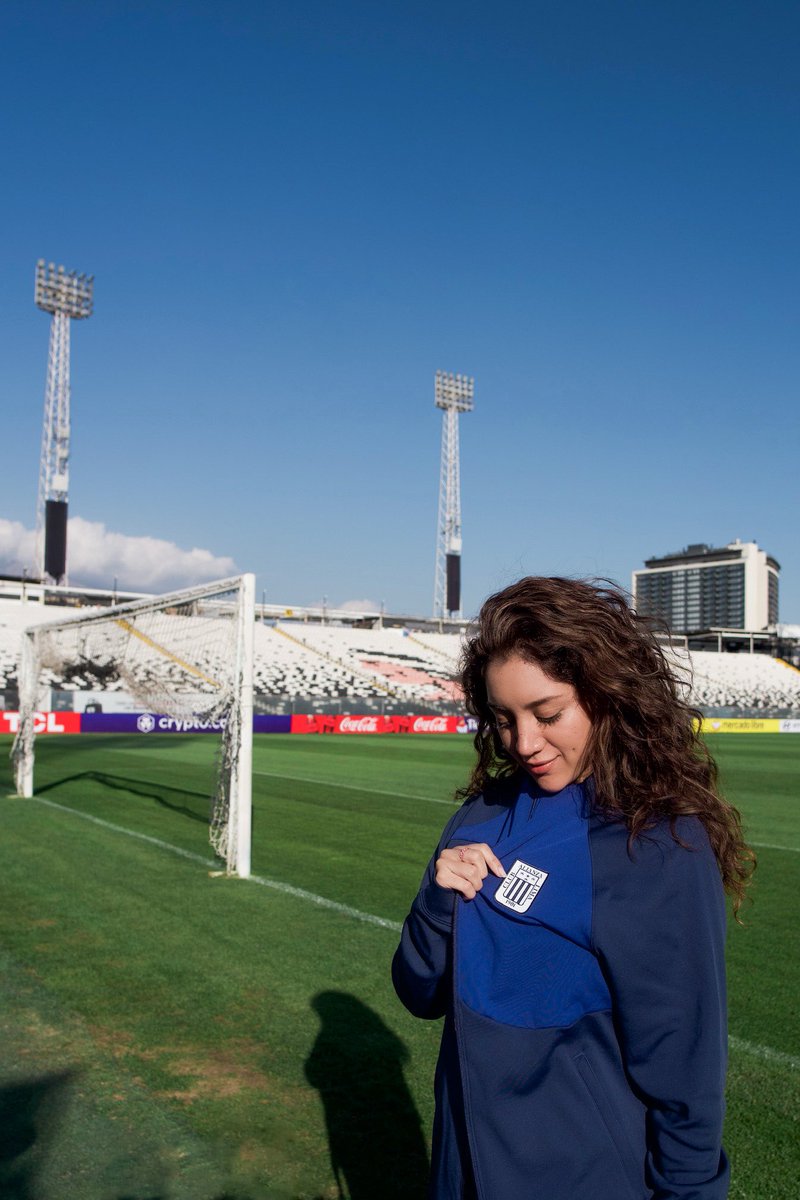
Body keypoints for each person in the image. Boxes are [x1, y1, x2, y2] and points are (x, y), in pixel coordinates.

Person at [392, 577, 754, 1200]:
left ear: (606, 695)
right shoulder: (482, 815)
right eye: (503, 719)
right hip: (460, 1174)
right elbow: (418, 992)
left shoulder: (657, 844)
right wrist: (435, 904)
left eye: (547, 713)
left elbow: (685, 1071)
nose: (524, 743)